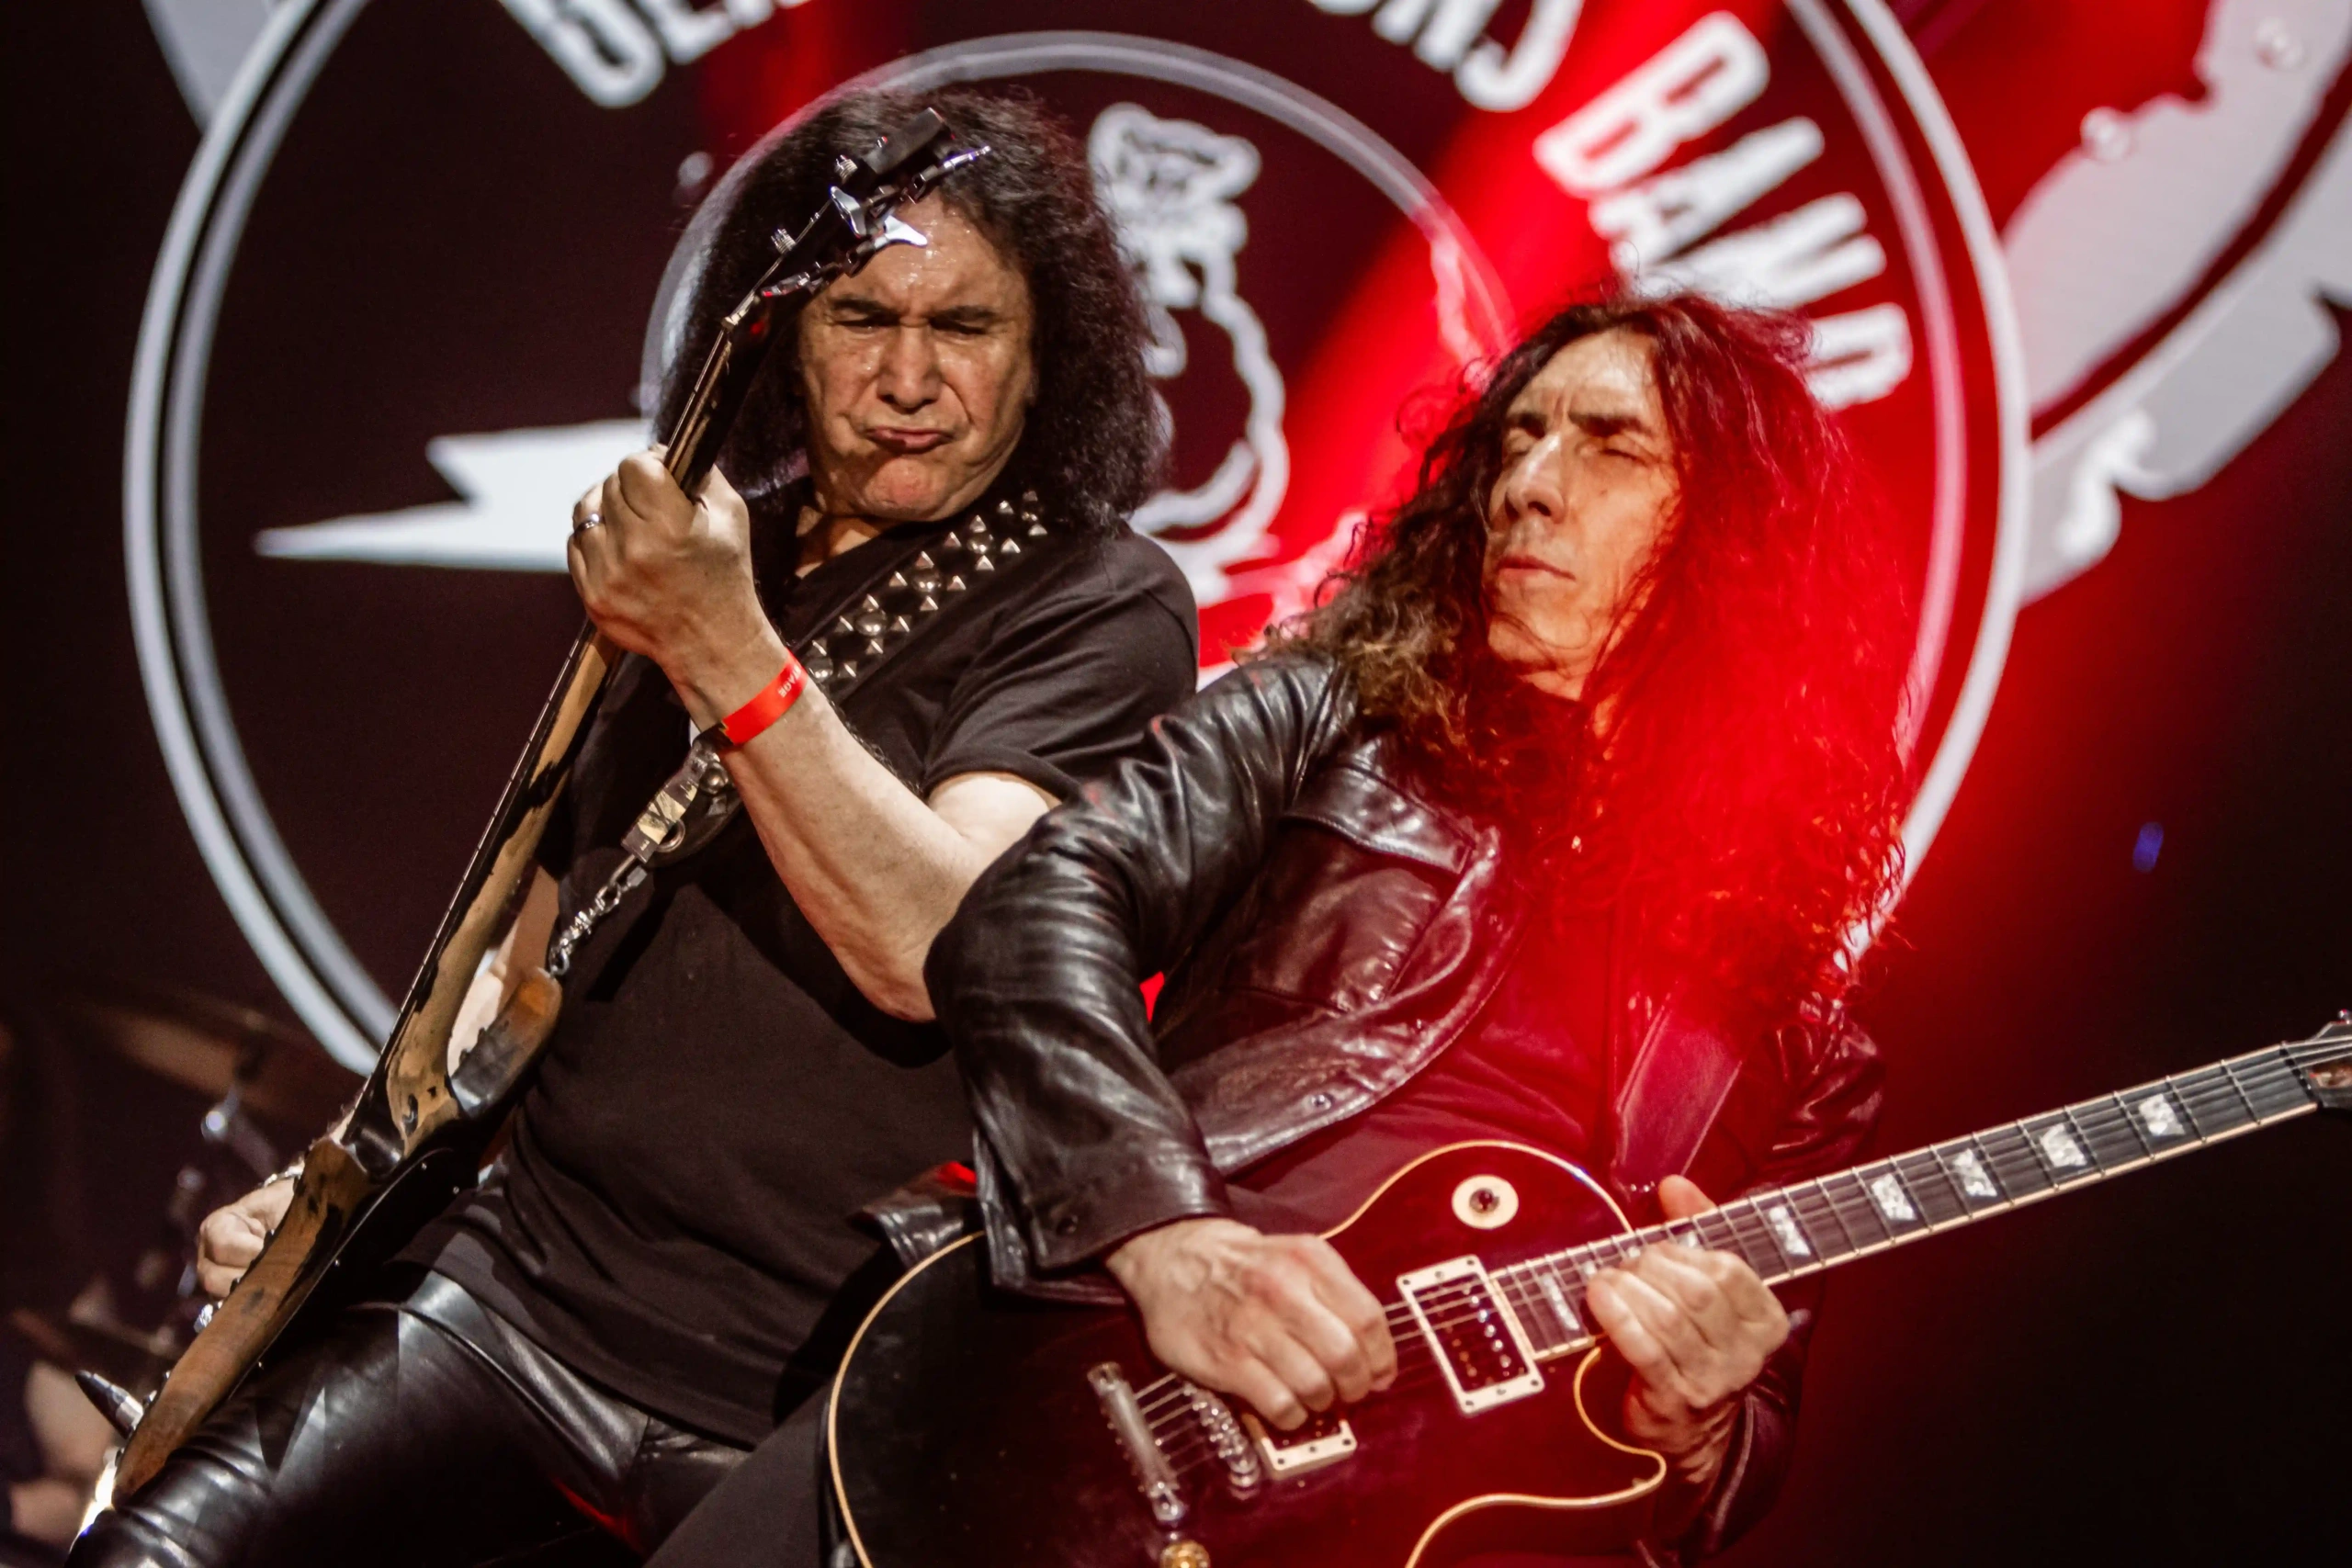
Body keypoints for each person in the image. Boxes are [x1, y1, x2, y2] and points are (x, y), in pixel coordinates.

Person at [72, 88, 1196, 1568]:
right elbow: (531, 956)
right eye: (863, 317)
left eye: (967, 327)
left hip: (800, 1396)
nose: (911, 375)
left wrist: (724, 647)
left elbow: (940, 945)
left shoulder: (1101, 601)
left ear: (1046, 356)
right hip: (511, 1295)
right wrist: (339, 1182)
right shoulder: (709, 550)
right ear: (783, 338)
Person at [864, 292, 1902, 1565]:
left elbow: (1745, 1443)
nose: (1527, 486)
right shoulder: (1332, 719)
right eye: (1518, 439)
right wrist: (1168, 1239)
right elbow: (1037, 903)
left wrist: (1697, 1422)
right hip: (1063, 1383)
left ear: (1736, 539)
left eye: (1611, 446)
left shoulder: (1796, 1043)